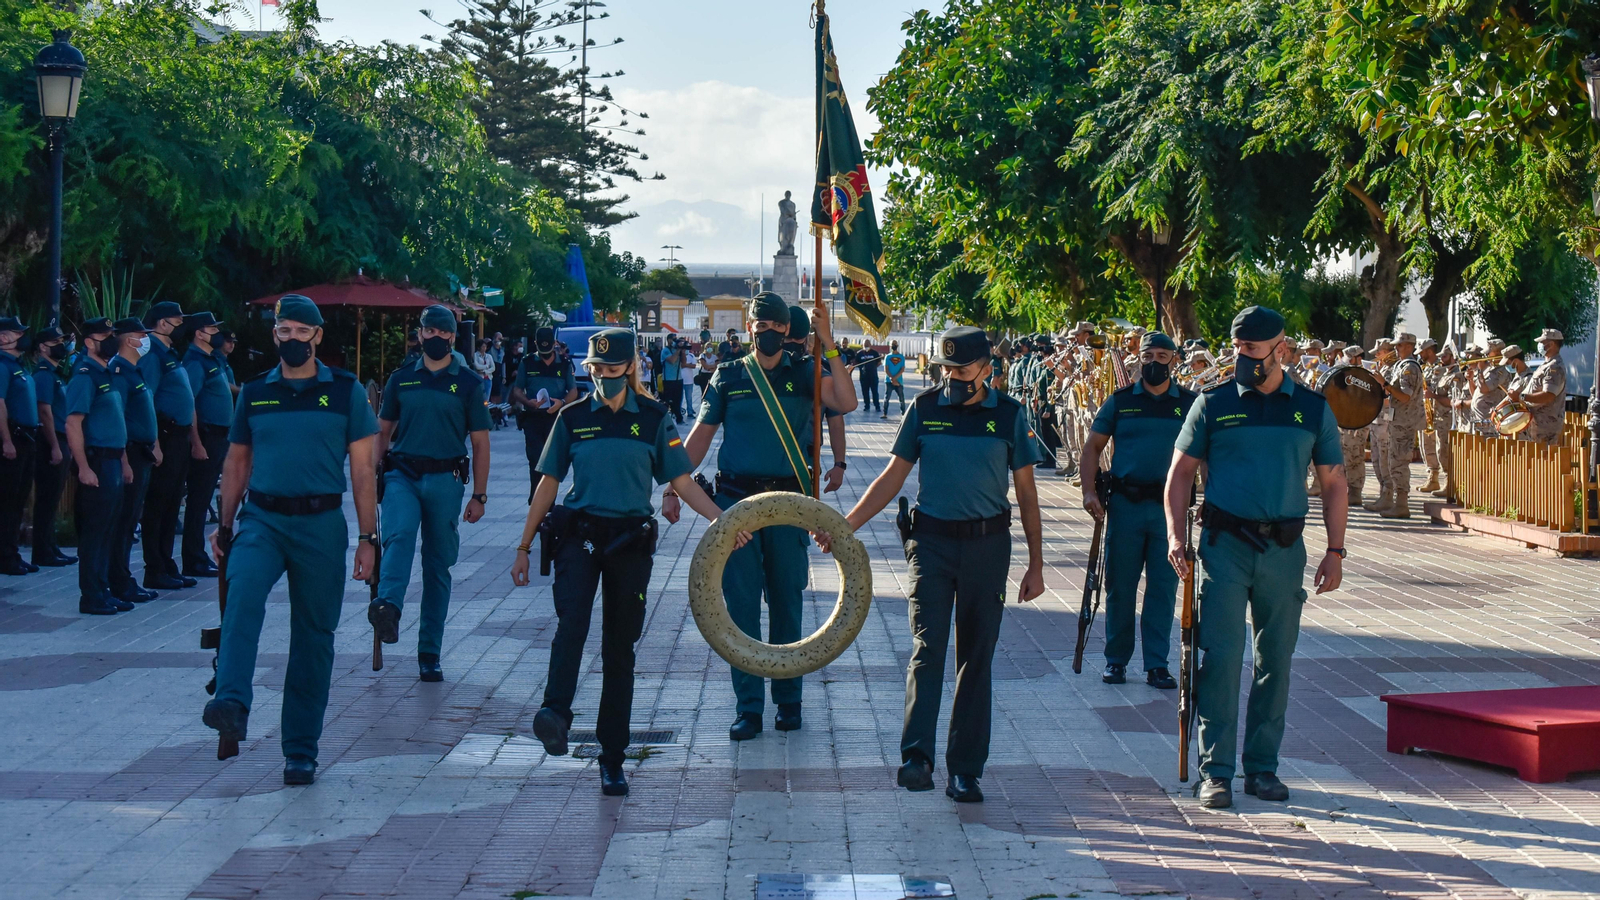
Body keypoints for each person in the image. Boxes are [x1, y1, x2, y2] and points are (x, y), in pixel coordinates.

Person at [819, 326, 1044, 802]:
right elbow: (890, 478)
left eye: (962, 370)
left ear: (987, 367)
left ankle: (965, 768)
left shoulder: (1008, 415)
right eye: (946, 371)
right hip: (932, 545)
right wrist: (846, 526)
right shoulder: (924, 411)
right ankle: (916, 758)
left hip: (987, 547)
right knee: (927, 649)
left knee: (975, 657)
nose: (954, 379)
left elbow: (1027, 493)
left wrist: (1037, 564)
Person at [512, 328, 729, 796]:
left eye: (612, 370)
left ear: (630, 368)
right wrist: (524, 546)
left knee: (619, 649)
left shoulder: (653, 418)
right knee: (571, 621)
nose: (604, 378)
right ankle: (556, 713)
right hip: (580, 538)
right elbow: (548, 484)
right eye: (596, 370)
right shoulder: (572, 417)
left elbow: (684, 483)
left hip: (629, 542)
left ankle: (613, 758)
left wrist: (724, 521)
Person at [1165, 305, 1348, 810]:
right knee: (1220, 659)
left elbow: (1334, 482)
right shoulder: (1213, 403)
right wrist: (1175, 537)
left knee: (1276, 663)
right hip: (1224, 548)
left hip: (1284, 552)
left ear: (1280, 348)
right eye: (1238, 347)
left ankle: (1262, 768)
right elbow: (1180, 474)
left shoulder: (1311, 408)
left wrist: (1335, 550)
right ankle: (1216, 771)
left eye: (1252, 349)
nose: (1242, 356)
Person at [202, 294, 379, 786]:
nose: (295, 340)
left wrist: (368, 537)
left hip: (322, 523)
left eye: (304, 332)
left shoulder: (345, 392)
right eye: (286, 332)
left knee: (314, 636)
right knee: (242, 598)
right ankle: (231, 703)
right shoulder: (255, 392)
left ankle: (300, 750)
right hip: (263, 518)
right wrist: (225, 523)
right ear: (275, 334)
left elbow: (364, 471)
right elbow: (236, 462)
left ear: (318, 336)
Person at [683, 292, 857, 741]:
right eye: (759, 325)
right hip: (737, 505)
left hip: (788, 503)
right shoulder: (727, 376)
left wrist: (828, 342)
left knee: (786, 600)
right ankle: (748, 708)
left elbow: (847, 401)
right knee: (740, 609)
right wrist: (672, 482)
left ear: (786, 331)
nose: (767, 333)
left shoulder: (805, 372)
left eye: (776, 327)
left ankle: (789, 701)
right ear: (750, 328)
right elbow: (700, 439)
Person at [367, 305, 492, 683]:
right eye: (429, 331)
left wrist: (480, 496)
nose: (436, 337)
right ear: (419, 335)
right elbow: (383, 431)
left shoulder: (468, 382)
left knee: (438, 566)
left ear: (453, 337)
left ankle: (429, 652)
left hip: (445, 479)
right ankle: (388, 606)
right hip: (403, 474)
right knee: (399, 535)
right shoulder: (402, 379)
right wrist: (373, 475)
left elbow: (481, 443)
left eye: (443, 332)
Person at [1081, 332, 1196, 689]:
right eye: (1149, 355)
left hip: (1170, 512)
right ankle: (1116, 660)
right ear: (1138, 358)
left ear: (1174, 361)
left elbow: (1207, 455)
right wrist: (1088, 491)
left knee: (1163, 588)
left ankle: (1157, 664)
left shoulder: (1191, 404)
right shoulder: (1120, 402)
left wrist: (1210, 498)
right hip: (1126, 507)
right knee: (1120, 586)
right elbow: (1091, 448)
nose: (1155, 362)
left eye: (1163, 356)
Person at [65, 319, 131, 615]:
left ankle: (103, 590)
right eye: (104, 336)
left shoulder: (105, 373)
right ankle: (90, 595)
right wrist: (83, 467)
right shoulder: (84, 375)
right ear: (89, 342)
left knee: (108, 530)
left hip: (113, 460)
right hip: (97, 461)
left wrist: (124, 461)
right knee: (94, 532)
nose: (110, 340)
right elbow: (73, 423)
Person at [139, 301, 201, 591]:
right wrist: (155, 442)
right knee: (158, 504)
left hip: (178, 436)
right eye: (178, 321)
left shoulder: (169, 353)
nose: (182, 327)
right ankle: (155, 567)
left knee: (171, 503)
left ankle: (166, 563)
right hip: (163, 435)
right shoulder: (153, 352)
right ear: (163, 324)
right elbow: (146, 397)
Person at [108, 318, 161, 606]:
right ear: (129, 340)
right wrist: (125, 461)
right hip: (129, 452)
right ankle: (119, 580)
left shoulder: (133, 370)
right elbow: (118, 419)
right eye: (143, 335)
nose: (146, 340)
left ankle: (122, 577)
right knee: (124, 521)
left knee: (130, 521)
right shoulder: (119, 372)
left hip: (142, 451)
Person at [182, 312, 233, 577]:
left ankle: (196, 555)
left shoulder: (212, 359)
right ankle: (193, 556)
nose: (217, 333)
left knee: (204, 498)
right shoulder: (194, 362)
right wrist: (197, 441)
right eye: (212, 328)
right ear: (199, 333)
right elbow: (189, 402)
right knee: (199, 499)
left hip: (219, 436)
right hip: (206, 435)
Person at [511, 327, 580, 500]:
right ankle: (536, 500)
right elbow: (517, 389)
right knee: (535, 460)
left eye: (548, 349)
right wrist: (527, 402)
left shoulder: (564, 363)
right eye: (542, 350)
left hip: (555, 419)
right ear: (535, 345)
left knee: (552, 463)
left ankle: (549, 501)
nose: (545, 354)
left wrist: (562, 403)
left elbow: (573, 391)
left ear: (554, 344)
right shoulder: (527, 362)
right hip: (533, 418)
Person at [29, 327, 75, 569]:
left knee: (53, 498)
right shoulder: (44, 375)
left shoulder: (55, 374)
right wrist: (56, 446)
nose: (61, 345)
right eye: (56, 341)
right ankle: (43, 550)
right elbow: (44, 412)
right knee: (47, 499)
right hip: (51, 440)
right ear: (43, 347)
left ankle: (51, 546)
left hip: (60, 437)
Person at [0, 315, 40, 576]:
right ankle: (5, 557)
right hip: (12, 439)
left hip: (25, 438)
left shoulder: (17, 365)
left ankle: (12, 553)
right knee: (8, 502)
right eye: (17, 332)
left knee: (17, 502)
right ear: (3, 337)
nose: (22, 337)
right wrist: (6, 440)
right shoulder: (3, 366)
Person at [1376, 332, 1424, 518]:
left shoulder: (1410, 368)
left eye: (1401, 345)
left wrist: (1386, 384)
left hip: (1405, 421)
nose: (1396, 348)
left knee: (1399, 463)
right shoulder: (1400, 366)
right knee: (1394, 461)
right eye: (1396, 345)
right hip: (1397, 421)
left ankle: (1402, 504)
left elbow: (1405, 396)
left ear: (1411, 346)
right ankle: (1397, 502)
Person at [1511, 329, 1567, 446]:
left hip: (1546, 426)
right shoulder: (1546, 365)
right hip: (1537, 423)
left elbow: (1548, 395)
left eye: (1542, 342)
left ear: (1551, 344)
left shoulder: (1554, 367)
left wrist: (1521, 396)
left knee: (1544, 461)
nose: (1540, 345)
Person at [1335, 346, 1370, 506]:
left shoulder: (1363, 376)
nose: (1347, 360)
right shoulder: (1344, 372)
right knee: (1344, 455)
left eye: (1351, 357)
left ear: (1358, 358)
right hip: (1344, 421)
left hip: (1357, 421)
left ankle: (1355, 491)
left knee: (1355, 455)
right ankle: (1346, 489)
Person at [853, 341, 882, 414]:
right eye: (865, 345)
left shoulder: (874, 353)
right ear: (862, 345)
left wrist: (873, 368)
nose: (866, 346)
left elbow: (879, 362)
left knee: (875, 392)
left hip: (873, 376)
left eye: (867, 345)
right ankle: (867, 406)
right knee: (865, 392)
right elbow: (856, 363)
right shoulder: (859, 354)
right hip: (863, 377)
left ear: (870, 345)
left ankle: (877, 406)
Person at [883, 341, 908, 417]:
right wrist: (891, 378)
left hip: (899, 381)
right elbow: (886, 369)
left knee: (901, 398)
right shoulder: (887, 357)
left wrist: (894, 378)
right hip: (888, 381)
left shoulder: (901, 357)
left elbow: (902, 369)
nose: (893, 346)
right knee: (887, 397)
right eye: (892, 345)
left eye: (894, 345)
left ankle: (903, 414)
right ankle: (885, 413)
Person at [679, 340, 699, 418]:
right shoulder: (679, 355)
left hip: (689, 380)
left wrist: (685, 364)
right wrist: (688, 364)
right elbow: (680, 365)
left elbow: (694, 366)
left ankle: (690, 412)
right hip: (680, 380)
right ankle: (679, 412)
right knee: (680, 398)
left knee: (689, 398)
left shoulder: (691, 355)